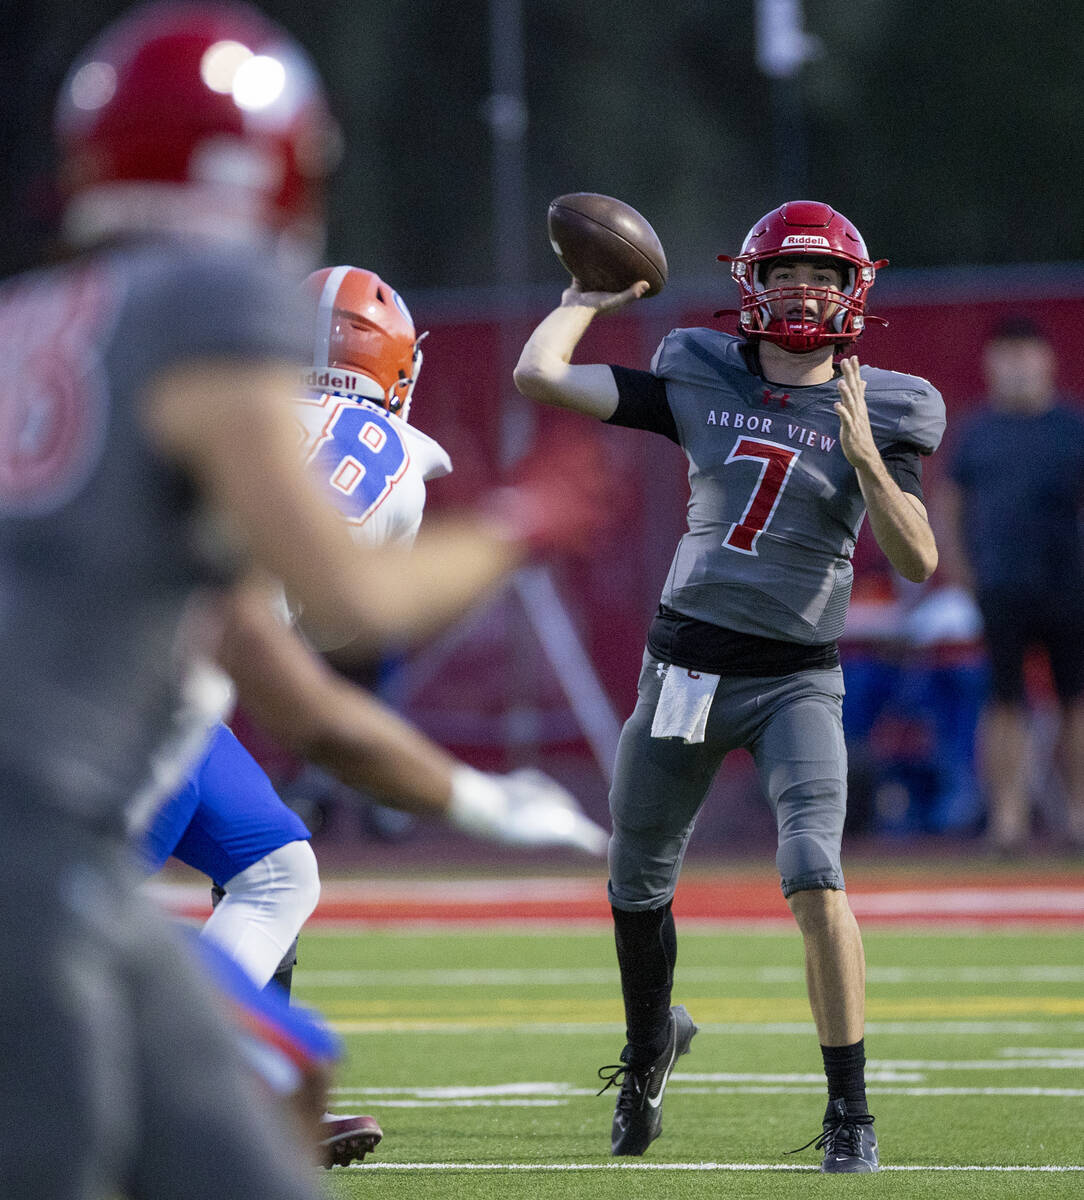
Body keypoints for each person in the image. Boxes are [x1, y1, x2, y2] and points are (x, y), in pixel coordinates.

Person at [0, 4, 605, 1197]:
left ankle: (249, 1065)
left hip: (76, 810)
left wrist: (472, 798)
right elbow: (351, 601)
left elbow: (280, 679)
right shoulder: (203, 309)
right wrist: (519, 523)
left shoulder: (30, 323)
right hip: (42, 840)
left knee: (247, 1121)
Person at [514, 200, 946, 1173]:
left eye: (823, 276)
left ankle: (849, 1114)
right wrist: (585, 294)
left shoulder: (893, 403)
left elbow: (917, 559)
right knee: (635, 882)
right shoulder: (700, 375)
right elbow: (535, 375)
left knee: (813, 874)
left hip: (795, 679)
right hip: (683, 670)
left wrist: (867, 457)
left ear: (854, 291)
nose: (804, 289)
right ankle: (648, 1052)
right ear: (751, 286)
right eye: (787, 272)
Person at [144, 267, 607, 1163]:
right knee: (66, 939)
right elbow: (333, 627)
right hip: (118, 709)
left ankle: (247, 1093)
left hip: (141, 682)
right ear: (394, 364)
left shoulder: (228, 407)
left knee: (278, 868)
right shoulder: (390, 453)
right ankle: (178, 1084)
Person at [939, 317, 1084, 854]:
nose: (1018, 367)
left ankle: (1077, 816)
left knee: (1074, 699)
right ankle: (1007, 819)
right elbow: (950, 505)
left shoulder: (1071, 427)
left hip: (1068, 585)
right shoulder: (978, 431)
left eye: (1027, 354)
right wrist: (960, 573)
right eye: (1007, 355)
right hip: (1000, 584)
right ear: (991, 364)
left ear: (1047, 360)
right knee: (1004, 702)